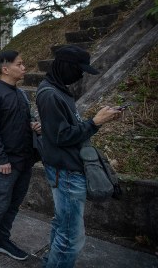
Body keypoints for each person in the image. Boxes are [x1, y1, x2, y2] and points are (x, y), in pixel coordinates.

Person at [36, 45, 121, 268]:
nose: (81, 74)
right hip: (66, 173)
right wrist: (95, 122)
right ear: (65, 66)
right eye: (79, 69)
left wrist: (97, 121)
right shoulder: (50, 95)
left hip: (68, 169)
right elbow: (60, 136)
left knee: (61, 225)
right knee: (71, 238)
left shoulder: (60, 90)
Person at [0, 50, 42, 268]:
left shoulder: (20, 94)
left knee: (13, 204)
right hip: (4, 162)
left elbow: (19, 121)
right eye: (20, 64)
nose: (24, 68)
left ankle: (1, 239)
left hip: (24, 160)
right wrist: (1, 159)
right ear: (6, 69)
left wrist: (33, 125)